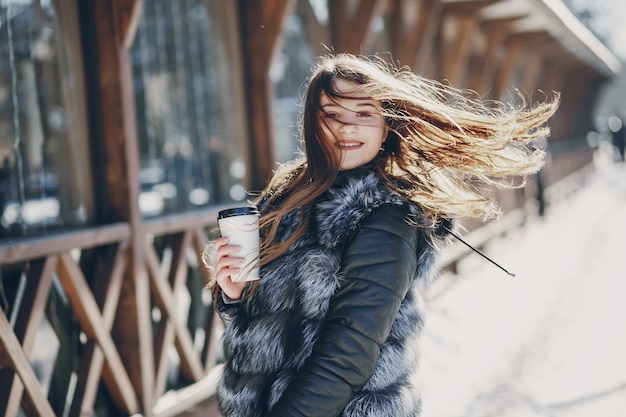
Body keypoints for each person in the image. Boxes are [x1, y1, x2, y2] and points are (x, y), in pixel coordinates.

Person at [203, 53, 559, 417]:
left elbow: (347, 356)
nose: (347, 127)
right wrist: (234, 294)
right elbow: (268, 325)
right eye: (333, 114)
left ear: (385, 126)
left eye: (363, 114)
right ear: (312, 121)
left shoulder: (386, 217)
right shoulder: (287, 197)